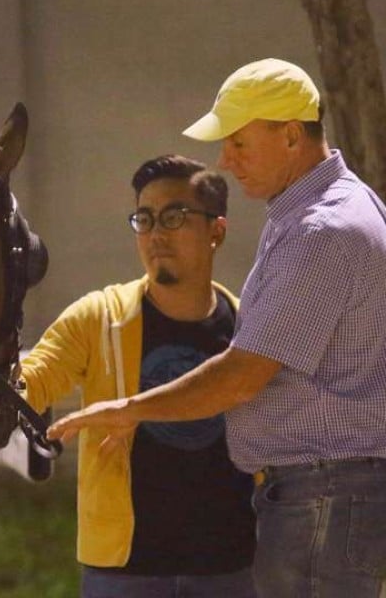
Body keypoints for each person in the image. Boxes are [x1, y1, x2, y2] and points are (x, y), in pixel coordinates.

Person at [49, 59, 386, 597]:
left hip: (323, 496)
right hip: (324, 495)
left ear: (292, 136)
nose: (225, 162)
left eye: (240, 145)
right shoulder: (324, 212)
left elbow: (240, 377)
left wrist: (128, 408)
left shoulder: (323, 229)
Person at [21, 155, 255, 597]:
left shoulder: (249, 327)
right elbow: (31, 382)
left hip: (232, 565)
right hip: (125, 572)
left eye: (173, 217)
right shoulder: (100, 317)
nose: (155, 235)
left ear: (216, 232)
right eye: (144, 219)